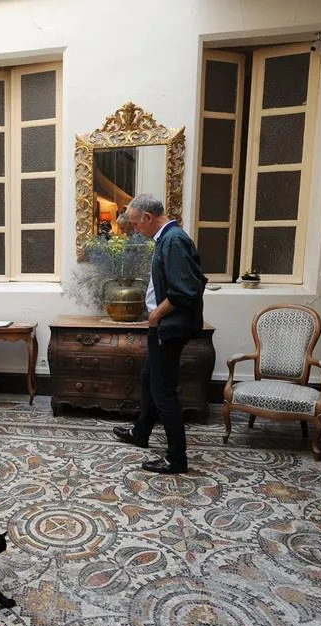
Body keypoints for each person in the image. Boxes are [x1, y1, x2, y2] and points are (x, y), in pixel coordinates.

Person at [113, 193, 205, 474]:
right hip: (164, 326)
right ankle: (141, 433)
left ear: (148, 217)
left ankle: (176, 458)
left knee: (163, 392)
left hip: (169, 327)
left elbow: (186, 290)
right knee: (148, 378)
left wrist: (155, 314)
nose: (135, 229)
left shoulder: (174, 240)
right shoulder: (166, 238)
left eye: (135, 223)